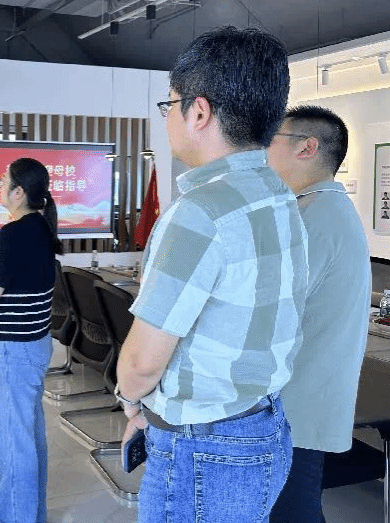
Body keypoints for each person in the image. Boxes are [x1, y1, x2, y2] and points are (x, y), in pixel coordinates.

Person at [115, 27, 308, 523]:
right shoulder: (279, 195)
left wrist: (131, 403)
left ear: (198, 112)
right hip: (265, 426)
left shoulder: (199, 213)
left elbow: (141, 363)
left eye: (169, 104)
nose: (167, 118)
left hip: (203, 448)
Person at [265, 106, 371, 522]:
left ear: (307, 147)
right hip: (298, 400)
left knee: (291, 511)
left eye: (272, 140)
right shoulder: (313, 209)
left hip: (298, 404)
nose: (263, 150)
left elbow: (269, 307)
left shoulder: (317, 216)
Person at [0, 158, 62, 523]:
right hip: (34, 343)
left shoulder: (14, 233)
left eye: (3, 180)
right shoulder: (40, 227)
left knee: (11, 440)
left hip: (14, 349)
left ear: (19, 192)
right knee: (27, 433)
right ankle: (31, 515)